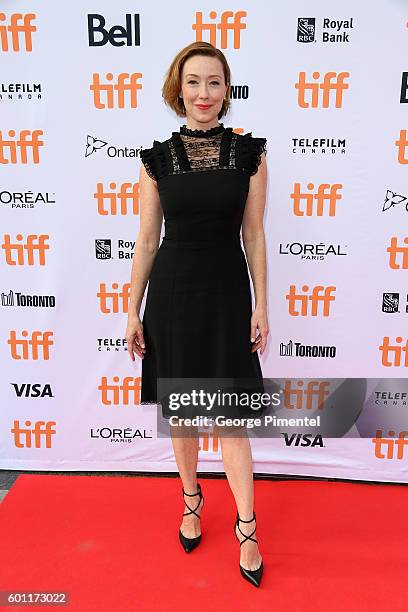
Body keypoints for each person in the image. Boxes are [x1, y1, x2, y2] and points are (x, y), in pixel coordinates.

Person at [125, 41, 269, 588]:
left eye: (213, 82)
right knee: (182, 414)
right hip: (173, 294)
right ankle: (191, 500)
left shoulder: (250, 154)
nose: (203, 93)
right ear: (177, 88)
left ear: (226, 89)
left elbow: (254, 234)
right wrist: (131, 309)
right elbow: (145, 238)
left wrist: (261, 303)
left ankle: (248, 527)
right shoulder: (156, 159)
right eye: (193, 82)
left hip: (228, 294)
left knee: (230, 419)